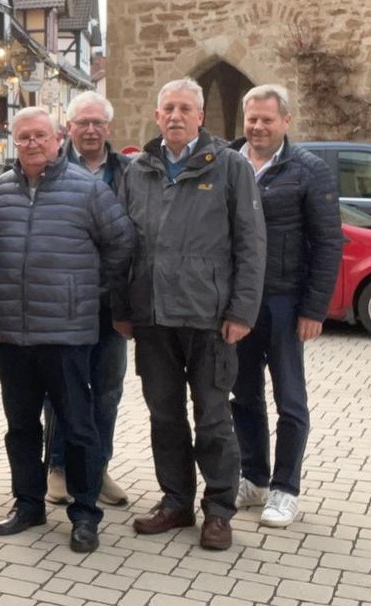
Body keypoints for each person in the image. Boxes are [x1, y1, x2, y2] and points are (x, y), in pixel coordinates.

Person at [115, 78, 266, 551]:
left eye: (185, 108)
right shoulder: (137, 169)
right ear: (157, 117)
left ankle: (219, 510)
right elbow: (123, 246)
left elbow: (250, 242)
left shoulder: (229, 167)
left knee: (214, 417)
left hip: (210, 317)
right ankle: (176, 501)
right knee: (164, 416)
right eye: (168, 109)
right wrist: (123, 308)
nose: (176, 116)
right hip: (153, 318)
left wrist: (242, 310)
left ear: (201, 117)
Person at [0, 107, 133, 552]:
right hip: (12, 333)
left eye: (40, 136)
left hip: (66, 332)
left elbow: (122, 245)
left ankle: (85, 514)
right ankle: (28, 504)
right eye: (23, 136)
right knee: (20, 426)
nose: (31, 144)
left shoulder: (86, 189)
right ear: (14, 140)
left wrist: (85, 290)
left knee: (78, 426)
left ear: (57, 138)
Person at [228, 84, 343, 528]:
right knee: (244, 396)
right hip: (239, 303)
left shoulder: (308, 170)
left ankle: (285, 489)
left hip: (284, 301)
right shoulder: (228, 163)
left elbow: (328, 243)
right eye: (251, 119)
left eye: (266, 120)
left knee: (290, 400)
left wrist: (314, 309)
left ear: (286, 122)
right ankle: (253, 478)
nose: (257, 127)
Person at [46, 91, 133, 507]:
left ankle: (96, 468)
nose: (91, 129)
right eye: (83, 123)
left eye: (98, 122)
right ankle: (59, 468)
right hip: (63, 301)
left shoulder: (129, 172)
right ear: (69, 128)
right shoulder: (50, 167)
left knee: (107, 390)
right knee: (62, 389)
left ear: (109, 128)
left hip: (112, 303)